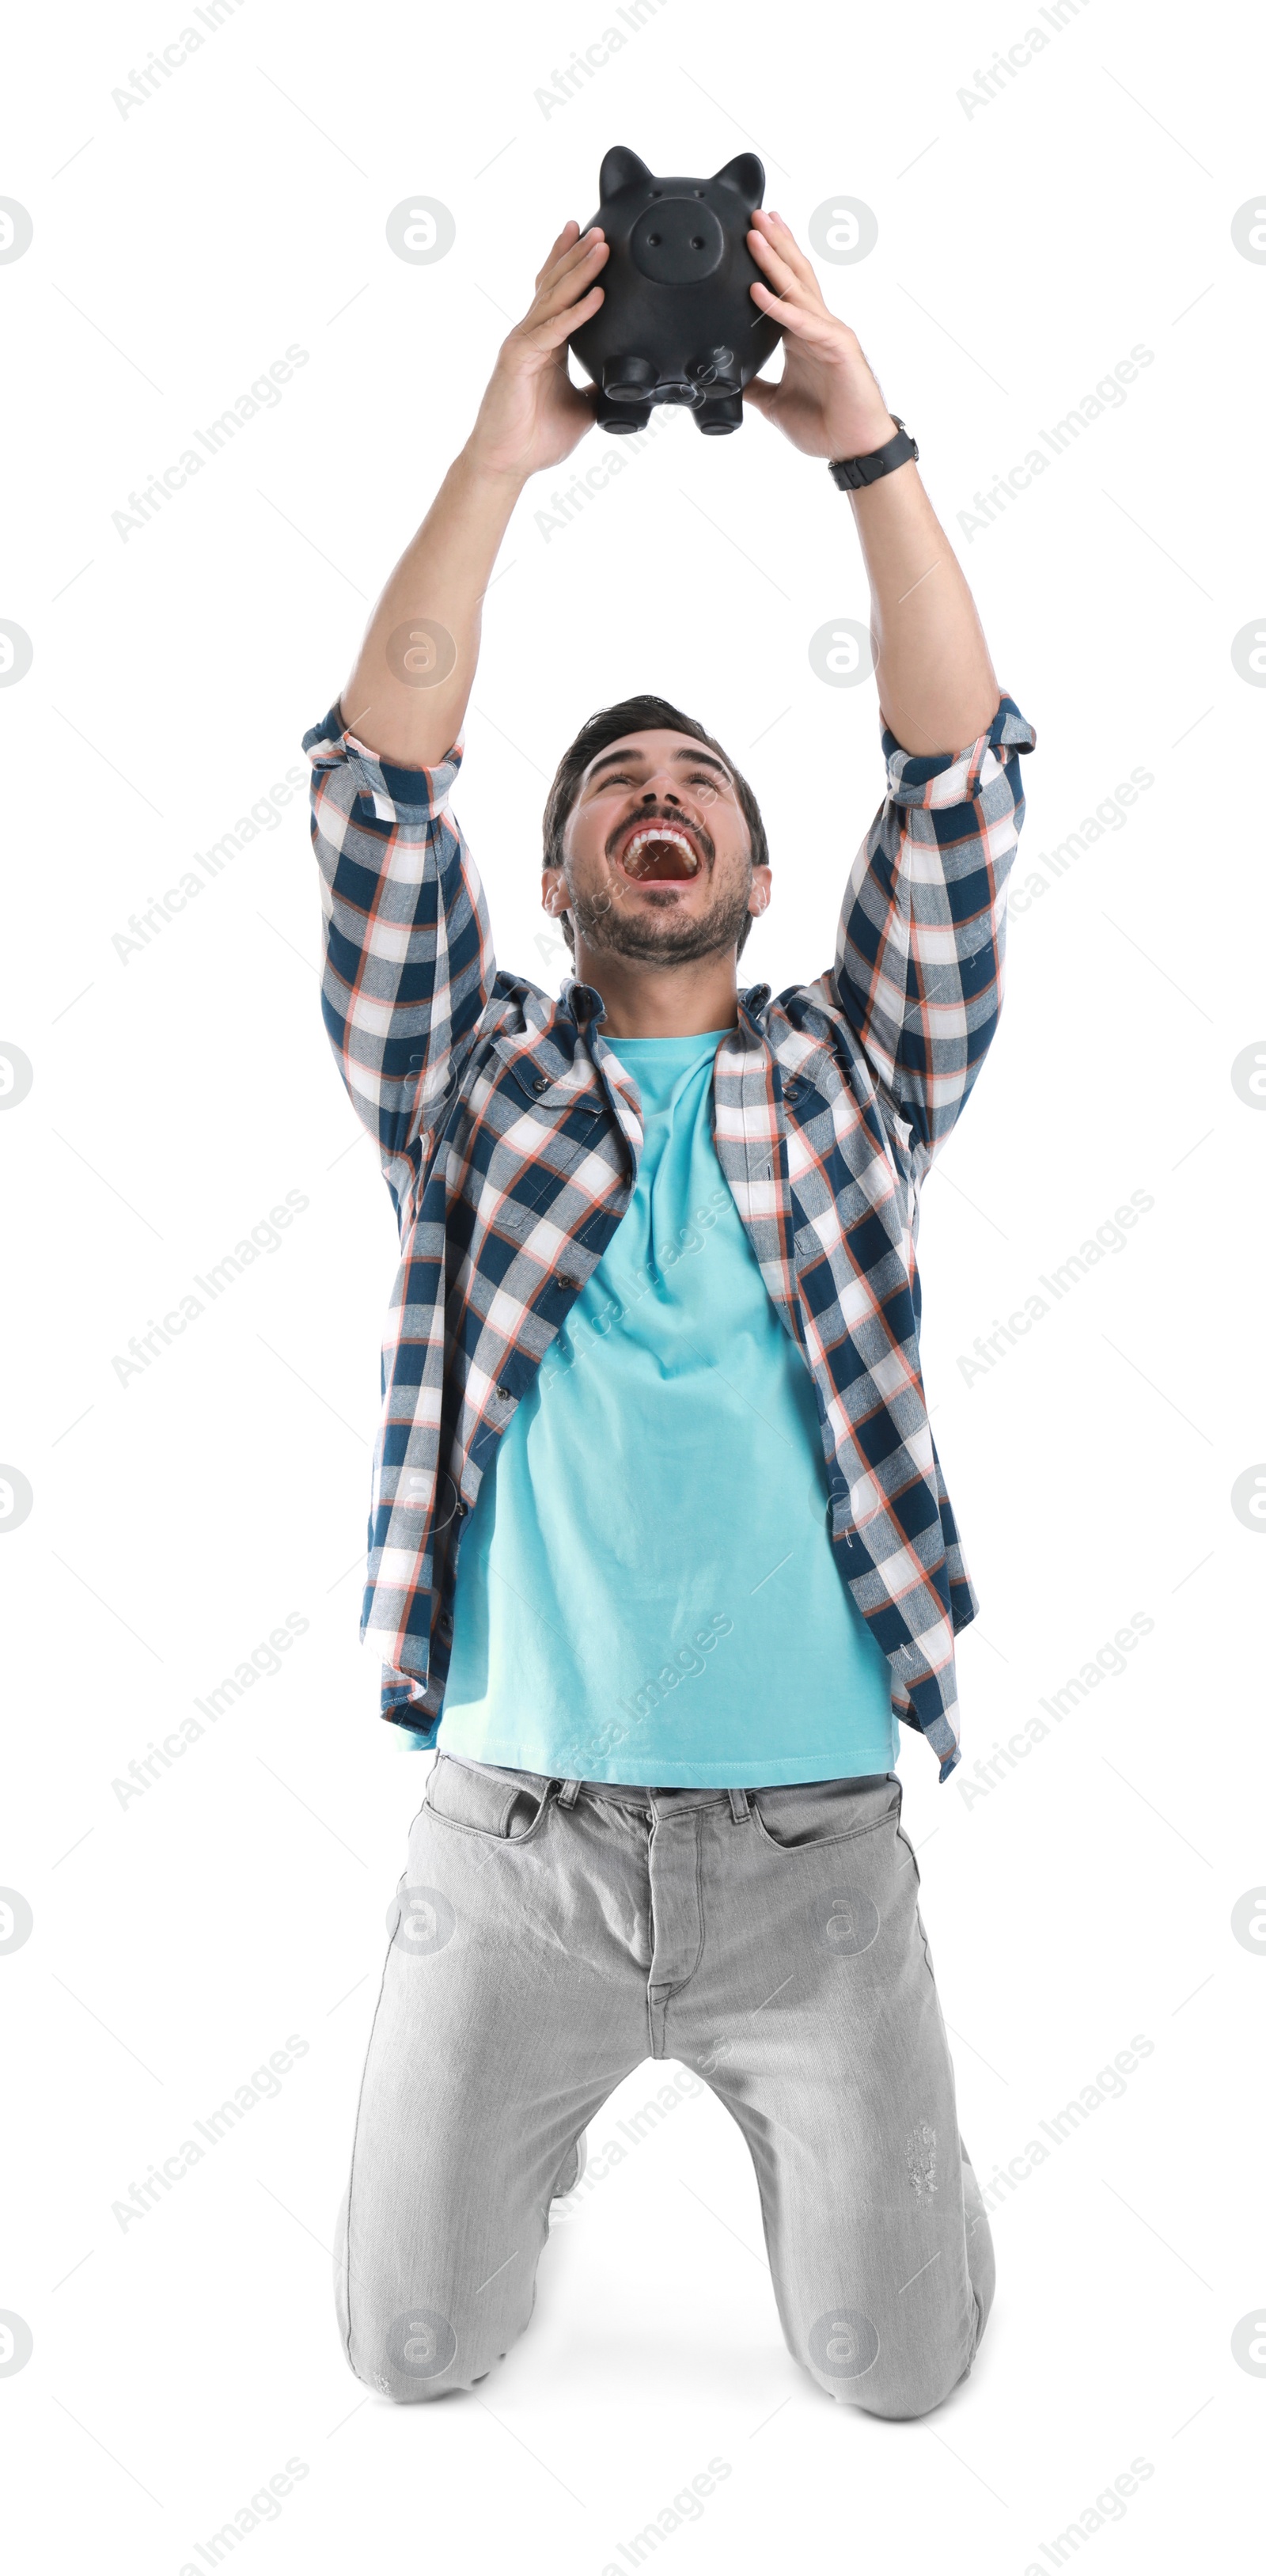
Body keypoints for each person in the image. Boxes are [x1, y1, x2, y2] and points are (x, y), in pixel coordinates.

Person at [304, 209, 1036, 2418]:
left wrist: (868, 450)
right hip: (506, 1852)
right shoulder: (469, 1085)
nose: (661, 797)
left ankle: (836, 2150)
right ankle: (537, 2143)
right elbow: (371, 794)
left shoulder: (854, 1075)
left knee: (898, 2376)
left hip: (813, 1857)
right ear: (556, 879)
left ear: (748, 867)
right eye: (614, 784)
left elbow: (961, 781)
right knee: (410, 2357)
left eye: (700, 781)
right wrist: (499, 457)